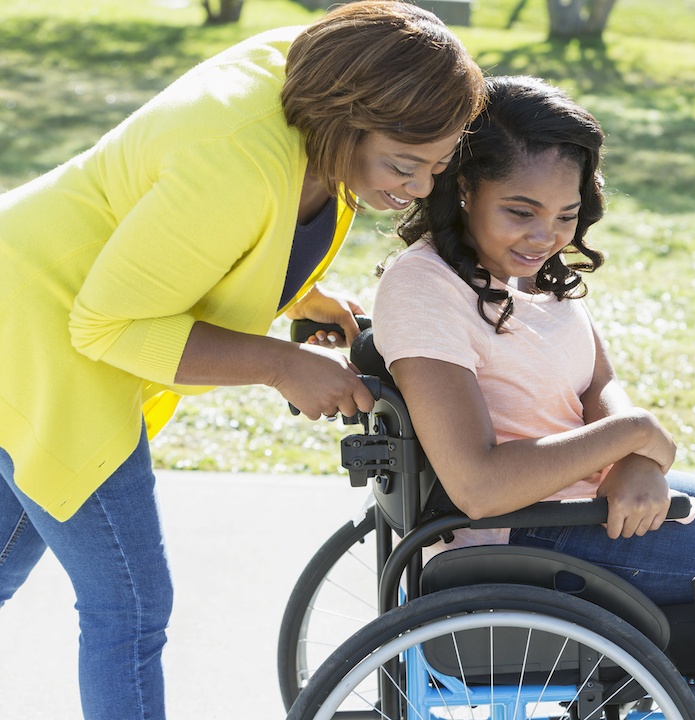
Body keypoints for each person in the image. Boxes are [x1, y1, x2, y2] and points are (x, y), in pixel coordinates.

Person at [0, 2, 485, 717]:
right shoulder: (233, 159)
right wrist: (280, 365)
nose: (416, 188)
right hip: (44, 332)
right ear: (345, 119)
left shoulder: (318, 78)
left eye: (437, 167)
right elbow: (107, 324)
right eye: (404, 165)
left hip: (38, 298)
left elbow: (194, 235)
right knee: (128, 608)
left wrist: (297, 294)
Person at [370, 75, 695, 720]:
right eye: (520, 211)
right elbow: (477, 486)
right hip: (531, 536)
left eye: (566, 215)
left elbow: (596, 385)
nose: (545, 236)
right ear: (465, 187)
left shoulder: (530, 278)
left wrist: (637, 458)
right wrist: (631, 436)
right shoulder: (427, 289)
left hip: (581, 499)